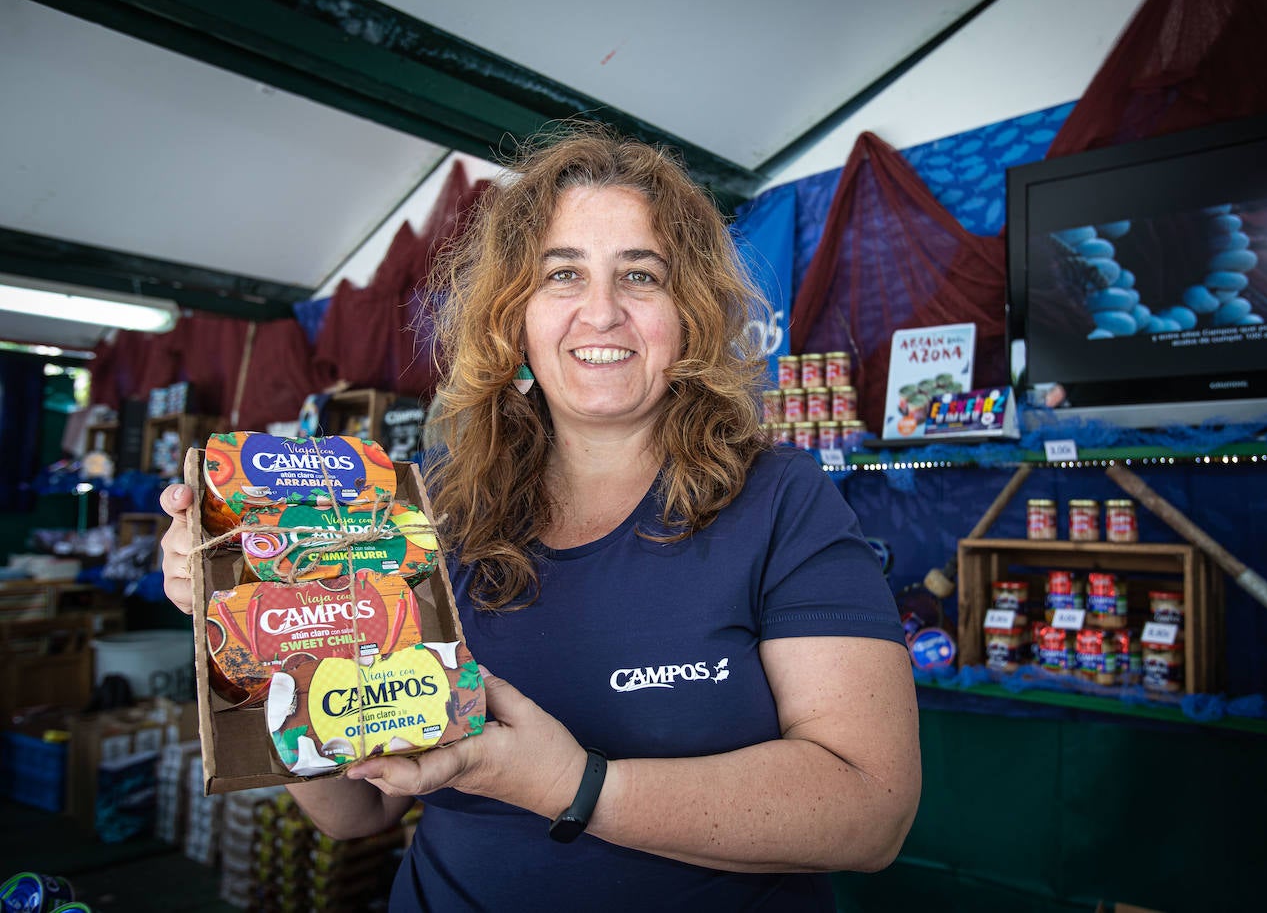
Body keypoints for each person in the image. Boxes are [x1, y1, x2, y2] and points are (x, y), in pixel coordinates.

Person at [160, 125, 921, 912]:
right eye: (562, 274)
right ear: (513, 317)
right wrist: (250, 630)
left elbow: (871, 812)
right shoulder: (427, 514)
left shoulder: (782, 501)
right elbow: (359, 810)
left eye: (641, 276)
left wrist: (573, 786)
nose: (601, 313)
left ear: (689, 314)